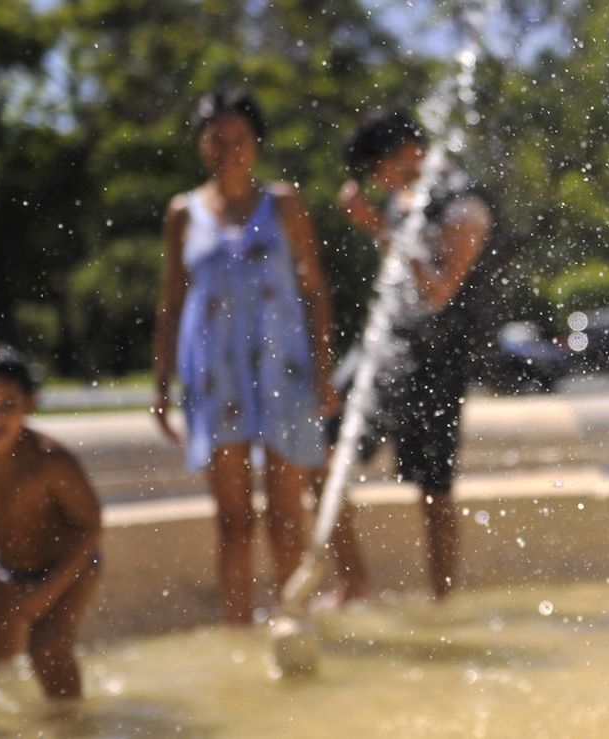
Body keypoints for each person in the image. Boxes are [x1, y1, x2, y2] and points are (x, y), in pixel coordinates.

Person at [150, 89, 338, 624]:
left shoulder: (284, 204)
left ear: (256, 145)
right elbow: (171, 301)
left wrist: (324, 369)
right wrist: (160, 383)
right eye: (216, 139)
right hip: (215, 375)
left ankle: (291, 625)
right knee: (233, 520)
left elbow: (315, 291)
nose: (227, 149)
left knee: (285, 514)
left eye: (238, 140)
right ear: (200, 143)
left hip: (285, 368)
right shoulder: (183, 214)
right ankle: (237, 631)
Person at [322, 109, 497, 601]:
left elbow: (440, 290)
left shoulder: (464, 203)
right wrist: (383, 226)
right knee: (321, 444)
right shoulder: (403, 204)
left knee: (434, 488)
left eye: (378, 167)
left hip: (438, 360)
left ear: (407, 152)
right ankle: (352, 579)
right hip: (387, 348)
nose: (377, 180)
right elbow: (400, 279)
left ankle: (442, 601)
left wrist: (378, 227)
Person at [0, 344, 102, 700]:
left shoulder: (49, 461)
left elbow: (90, 526)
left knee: (47, 648)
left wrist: (49, 588)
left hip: (70, 565)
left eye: (7, 404)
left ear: (30, 403)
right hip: (9, 568)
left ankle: (71, 724)